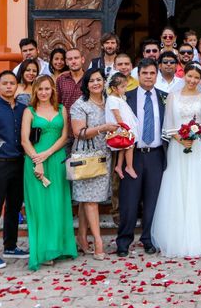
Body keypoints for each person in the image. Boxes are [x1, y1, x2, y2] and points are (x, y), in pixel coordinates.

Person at [152, 62, 201, 257]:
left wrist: (194, 137)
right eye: (190, 76)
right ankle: (176, 236)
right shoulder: (173, 96)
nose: (192, 80)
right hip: (178, 147)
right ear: (184, 75)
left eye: (196, 77)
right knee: (178, 186)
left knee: (197, 186)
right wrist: (181, 139)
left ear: (200, 79)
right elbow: (167, 126)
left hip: (198, 146)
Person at [21, 75, 77, 270]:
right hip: (35, 162)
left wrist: (48, 153)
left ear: (53, 89)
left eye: (47, 88)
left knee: (58, 204)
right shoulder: (29, 111)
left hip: (56, 160)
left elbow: (64, 137)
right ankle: (43, 250)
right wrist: (38, 159)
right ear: (35, 91)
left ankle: (60, 247)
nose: (44, 92)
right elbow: (24, 141)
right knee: (41, 207)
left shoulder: (61, 109)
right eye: (40, 89)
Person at [116, 58, 168, 256]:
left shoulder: (165, 97)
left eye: (152, 73)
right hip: (133, 155)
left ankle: (148, 238)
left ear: (157, 75)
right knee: (129, 201)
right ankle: (124, 241)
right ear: (138, 76)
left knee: (152, 200)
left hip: (156, 155)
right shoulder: (126, 97)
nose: (148, 77)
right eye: (144, 73)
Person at [0, 71, 28, 269]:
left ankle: (10, 245)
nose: (9, 86)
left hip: (19, 162)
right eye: (5, 83)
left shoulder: (23, 109)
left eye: (12, 83)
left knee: (14, 206)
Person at [70, 68, 117, 260]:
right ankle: (98, 241)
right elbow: (78, 131)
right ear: (86, 84)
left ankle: (81, 236)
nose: (96, 83)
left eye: (99, 79)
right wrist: (103, 128)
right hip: (87, 155)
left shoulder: (109, 102)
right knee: (90, 200)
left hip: (105, 154)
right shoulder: (80, 104)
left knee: (86, 199)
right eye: (92, 81)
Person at [105, 72, 140, 180]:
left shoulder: (119, 97)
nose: (125, 89)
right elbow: (117, 114)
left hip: (125, 125)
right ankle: (129, 167)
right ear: (114, 88)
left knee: (124, 147)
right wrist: (125, 127)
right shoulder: (112, 99)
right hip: (121, 126)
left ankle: (119, 166)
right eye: (122, 87)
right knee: (130, 145)